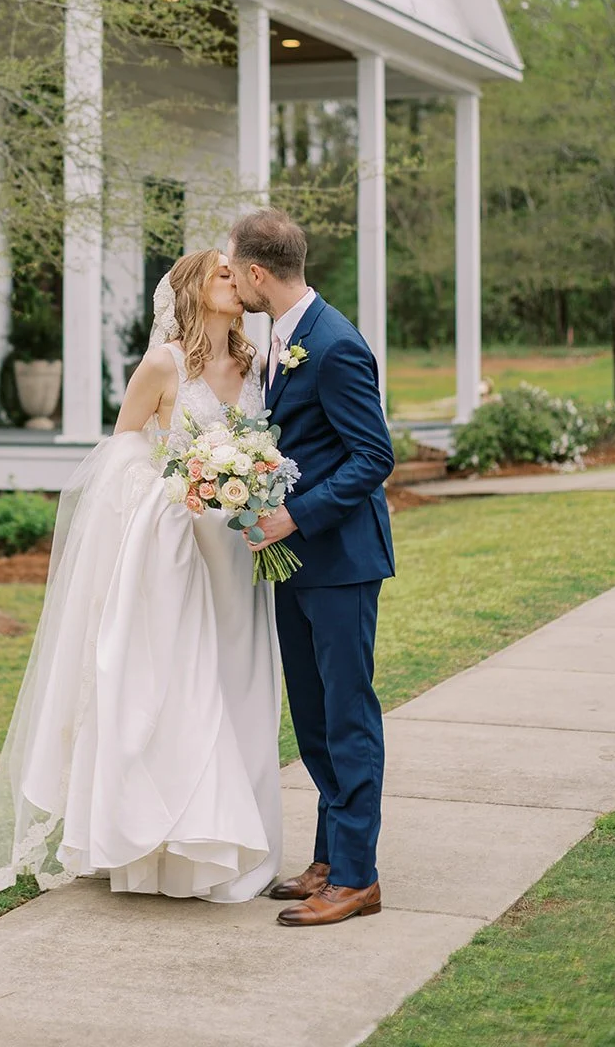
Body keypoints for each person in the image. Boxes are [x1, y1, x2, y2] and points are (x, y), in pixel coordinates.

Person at [0, 249, 283, 902]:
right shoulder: (163, 364)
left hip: (243, 548)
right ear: (193, 290)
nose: (238, 281)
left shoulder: (257, 362)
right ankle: (169, 848)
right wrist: (178, 495)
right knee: (184, 689)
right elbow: (122, 454)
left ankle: (248, 836)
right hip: (178, 548)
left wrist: (251, 486)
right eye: (224, 274)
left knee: (246, 684)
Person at [227, 208, 395, 927]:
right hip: (294, 566)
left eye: (235, 271)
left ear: (259, 274)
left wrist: (291, 516)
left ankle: (358, 879)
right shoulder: (279, 338)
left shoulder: (334, 344)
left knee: (347, 716)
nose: (231, 281)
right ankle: (329, 858)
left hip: (340, 562)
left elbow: (373, 457)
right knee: (315, 720)